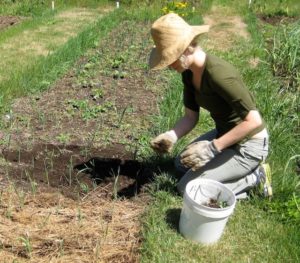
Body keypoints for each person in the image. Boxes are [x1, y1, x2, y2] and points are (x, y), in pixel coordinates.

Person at [148, 13, 272, 199]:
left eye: (170, 57)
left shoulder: (219, 74)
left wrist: (212, 149)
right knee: (181, 164)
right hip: (225, 134)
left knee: (187, 188)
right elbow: (191, 117)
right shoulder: (188, 74)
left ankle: (254, 178)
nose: (168, 65)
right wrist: (171, 136)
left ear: (187, 48)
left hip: (249, 144)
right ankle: (228, 170)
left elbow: (253, 121)